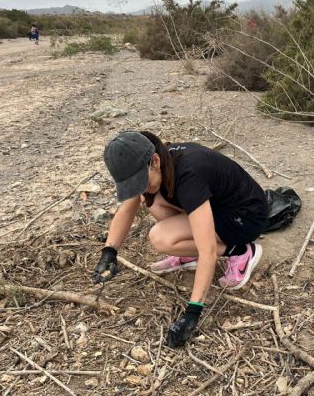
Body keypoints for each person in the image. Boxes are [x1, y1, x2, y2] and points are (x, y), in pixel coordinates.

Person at [92, 131, 267, 348]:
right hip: (218, 206)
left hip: (245, 217)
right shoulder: (159, 159)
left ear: (155, 161)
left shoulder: (188, 174)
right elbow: (128, 208)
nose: (140, 188)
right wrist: (109, 252)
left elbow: (208, 252)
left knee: (160, 238)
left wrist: (192, 312)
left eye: (140, 182)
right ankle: (187, 253)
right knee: (153, 201)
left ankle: (239, 252)